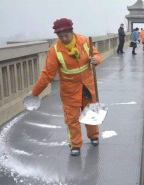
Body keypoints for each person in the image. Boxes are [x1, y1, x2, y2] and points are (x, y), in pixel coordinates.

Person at [30, 18, 102, 156]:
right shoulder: (54, 50)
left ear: (72, 32)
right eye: (60, 36)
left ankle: (94, 136)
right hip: (69, 91)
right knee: (72, 119)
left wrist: (96, 60)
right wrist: (35, 92)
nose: (64, 39)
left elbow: (96, 54)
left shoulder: (84, 41)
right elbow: (47, 74)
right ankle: (75, 145)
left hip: (87, 86)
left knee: (91, 114)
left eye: (66, 35)